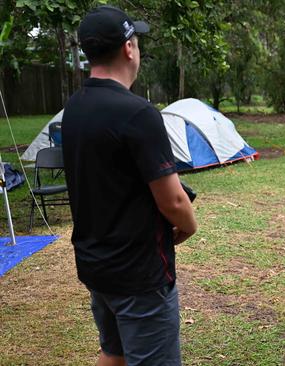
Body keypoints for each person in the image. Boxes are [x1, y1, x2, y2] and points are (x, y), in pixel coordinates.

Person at [62, 6, 197, 366]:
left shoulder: (74, 107)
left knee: (114, 353)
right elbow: (173, 202)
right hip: (139, 273)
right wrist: (189, 225)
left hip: (95, 266)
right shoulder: (138, 113)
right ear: (128, 48)